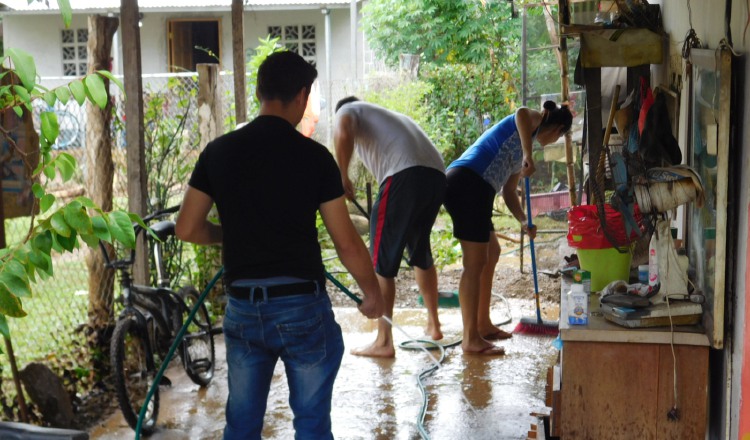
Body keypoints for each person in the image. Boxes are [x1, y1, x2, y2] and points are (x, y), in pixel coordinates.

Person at [175, 51, 384, 440]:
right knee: (311, 423)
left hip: (243, 307)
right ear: (302, 96)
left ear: (259, 92)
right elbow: (346, 241)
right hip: (301, 307)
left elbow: (186, 227)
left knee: (241, 423)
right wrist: (371, 293)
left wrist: (228, 233)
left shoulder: (218, 152)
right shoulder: (314, 157)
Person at [444, 100, 573, 355]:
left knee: (492, 253)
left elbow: (509, 192)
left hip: (479, 188)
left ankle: (482, 324)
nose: (556, 140)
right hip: (467, 182)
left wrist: (524, 221)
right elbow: (520, 113)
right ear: (557, 128)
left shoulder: (524, 148)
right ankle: (470, 338)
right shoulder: (532, 121)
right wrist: (527, 153)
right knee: (475, 262)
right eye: (560, 135)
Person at [334, 97, 446, 358]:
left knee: (382, 262)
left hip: (403, 174)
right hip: (435, 176)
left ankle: (384, 341)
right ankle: (434, 324)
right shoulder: (388, 118)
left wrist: (342, 174)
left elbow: (343, 128)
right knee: (420, 253)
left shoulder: (348, 110)